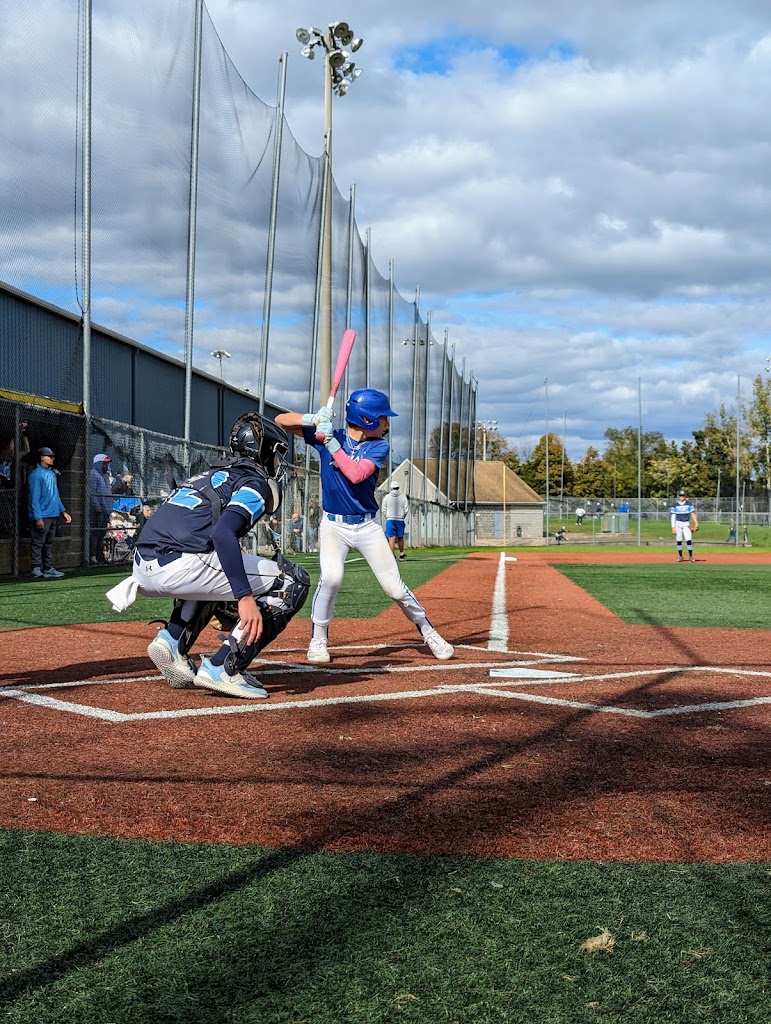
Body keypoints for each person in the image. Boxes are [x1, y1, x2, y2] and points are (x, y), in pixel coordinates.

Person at [105, 413, 310, 699]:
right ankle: (224, 667)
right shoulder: (254, 483)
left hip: (142, 566)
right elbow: (224, 535)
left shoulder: (207, 476)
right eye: (276, 455)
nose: (277, 463)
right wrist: (245, 598)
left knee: (215, 561)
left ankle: (172, 639)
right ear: (263, 451)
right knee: (291, 581)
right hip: (178, 566)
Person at [276, 389, 453, 665]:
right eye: (383, 418)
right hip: (333, 526)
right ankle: (318, 639)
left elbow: (356, 475)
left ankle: (428, 632)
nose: (387, 423)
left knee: (394, 588)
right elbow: (281, 420)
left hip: (367, 527)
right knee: (331, 578)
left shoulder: (378, 446)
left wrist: (331, 443)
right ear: (368, 419)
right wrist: (312, 419)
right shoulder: (327, 434)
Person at [27, 446, 71, 578]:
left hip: (52, 515)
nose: (52, 458)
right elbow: (34, 498)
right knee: (38, 542)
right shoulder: (35, 475)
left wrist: (63, 511)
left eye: (52, 456)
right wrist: (38, 517)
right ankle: (36, 568)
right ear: (42, 457)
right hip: (43, 515)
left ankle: (47, 568)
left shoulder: (51, 474)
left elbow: (55, 495)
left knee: (48, 543)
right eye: (49, 456)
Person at [89, 453, 113, 564]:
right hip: (98, 510)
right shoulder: (93, 474)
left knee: (102, 534)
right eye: (104, 463)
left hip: (105, 509)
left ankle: (100, 556)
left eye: (107, 464)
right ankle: (93, 556)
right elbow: (93, 492)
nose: (106, 466)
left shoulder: (105, 476)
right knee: (95, 534)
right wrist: (97, 507)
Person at [382, 481, 409, 559]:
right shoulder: (403, 497)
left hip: (390, 519)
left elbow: (383, 509)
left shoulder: (387, 497)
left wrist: (387, 516)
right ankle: (401, 554)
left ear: (391, 488)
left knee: (392, 537)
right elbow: (406, 510)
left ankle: (391, 555)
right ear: (398, 487)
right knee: (400, 537)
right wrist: (402, 516)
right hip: (400, 520)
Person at [671, 488, 698, 562]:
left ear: (685, 496)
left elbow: (692, 513)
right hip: (678, 523)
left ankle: (691, 556)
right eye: (680, 495)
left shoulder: (689, 504)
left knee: (688, 539)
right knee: (679, 540)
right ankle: (680, 556)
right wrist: (673, 527)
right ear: (678, 496)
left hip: (686, 523)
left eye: (683, 495)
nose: (682, 497)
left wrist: (696, 523)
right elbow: (673, 516)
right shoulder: (675, 505)